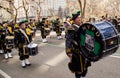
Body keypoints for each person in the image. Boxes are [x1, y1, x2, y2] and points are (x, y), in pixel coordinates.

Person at [65, 11, 91, 78]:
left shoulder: (82, 27)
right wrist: (68, 52)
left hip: (84, 51)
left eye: (80, 18)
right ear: (74, 20)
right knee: (78, 69)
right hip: (77, 53)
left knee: (84, 68)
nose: (80, 19)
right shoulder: (71, 28)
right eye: (78, 18)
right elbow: (68, 40)